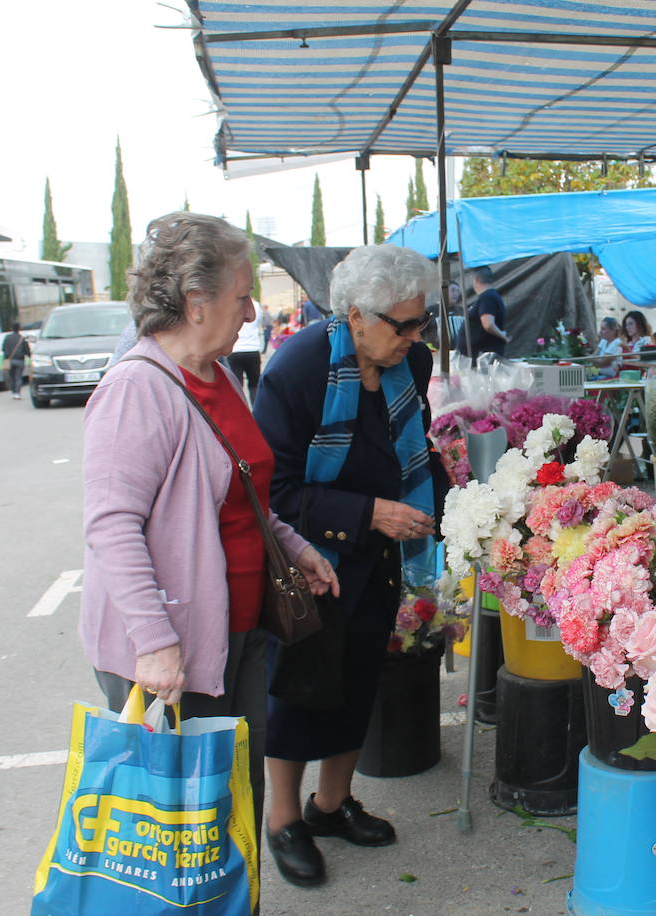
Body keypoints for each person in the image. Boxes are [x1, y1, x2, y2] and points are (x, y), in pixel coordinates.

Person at [79, 211, 340, 893]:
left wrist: (293, 545)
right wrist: (155, 641)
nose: (251, 309)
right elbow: (111, 527)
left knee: (228, 802)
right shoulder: (137, 388)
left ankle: (229, 904)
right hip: (171, 647)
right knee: (171, 823)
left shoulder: (218, 376)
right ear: (196, 303)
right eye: (242, 294)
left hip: (239, 629)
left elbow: (243, 490)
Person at [252, 245, 449, 889]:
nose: (417, 337)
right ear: (356, 316)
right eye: (405, 324)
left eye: (423, 321)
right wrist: (368, 514)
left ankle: (330, 807)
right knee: (300, 687)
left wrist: (463, 508)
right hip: (312, 556)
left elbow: (412, 449)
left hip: (379, 554)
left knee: (363, 675)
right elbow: (273, 492)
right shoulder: (299, 368)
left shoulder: (409, 362)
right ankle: (284, 819)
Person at [456, 265, 510, 359]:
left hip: (482, 358)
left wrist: (503, 336)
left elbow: (488, 324)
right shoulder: (490, 297)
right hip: (479, 357)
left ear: (476, 280)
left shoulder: (487, 298)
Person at [226, 299, 265, 403]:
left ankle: (239, 411)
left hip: (236, 348)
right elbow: (260, 322)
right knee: (254, 383)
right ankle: (256, 411)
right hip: (252, 348)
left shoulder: (231, 303)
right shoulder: (256, 306)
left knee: (237, 384)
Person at [2, 321, 30, 399]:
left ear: (11, 328)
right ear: (19, 328)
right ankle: (17, 393)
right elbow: (27, 351)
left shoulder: (7, 337)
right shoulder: (22, 338)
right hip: (20, 361)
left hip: (9, 361)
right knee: (18, 377)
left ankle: (13, 392)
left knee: (11, 377)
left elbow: (3, 348)